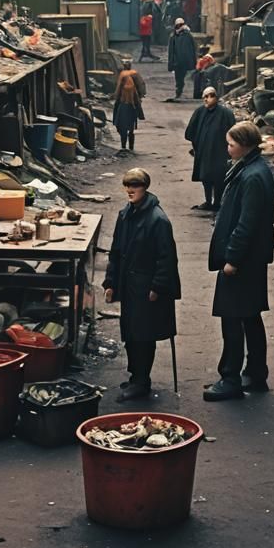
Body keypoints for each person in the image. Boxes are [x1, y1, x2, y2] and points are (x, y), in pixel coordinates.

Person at [203, 120, 274, 402]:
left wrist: (232, 258)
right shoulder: (252, 169)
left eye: (231, 143)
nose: (227, 147)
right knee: (249, 315)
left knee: (232, 318)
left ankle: (230, 378)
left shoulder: (252, 176)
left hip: (243, 261)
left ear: (244, 145)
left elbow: (247, 223)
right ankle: (256, 373)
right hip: (253, 259)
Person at [103, 169, 180, 402]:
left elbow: (166, 258)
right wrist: (111, 282)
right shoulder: (125, 214)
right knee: (131, 332)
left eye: (134, 186)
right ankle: (135, 374)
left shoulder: (158, 220)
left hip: (146, 287)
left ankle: (141, 381)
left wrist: (157, 287)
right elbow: (116, 251)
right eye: (127, 186)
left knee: (144, 335)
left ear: (144, 187)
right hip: (130, 284)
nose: (130, 190)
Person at [184, 87, 236, 211]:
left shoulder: (225, 113)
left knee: (219, 177)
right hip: (204, 151)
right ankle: (208, 201)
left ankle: (217, 202)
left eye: (211, 96)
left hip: (220, 152)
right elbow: (190, 131)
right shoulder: (199, 112)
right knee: (205, 176)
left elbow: (234, 131)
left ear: (216, 98)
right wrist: (197, 143)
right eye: (205, 97)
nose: (207, 99)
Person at [112, 58, 146, 155]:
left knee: (121, 126)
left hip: (123, 103)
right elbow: (142, 87)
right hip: (133, 104)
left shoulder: (123, 75)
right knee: (131, 127)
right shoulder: (135, 74)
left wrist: (116, 97)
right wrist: (139, 97)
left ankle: (124, 146)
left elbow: (118, 90)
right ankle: (131, 147)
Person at [166, 17, 196, 101]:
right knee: (179, 78)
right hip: (178, 62)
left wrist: (193, 61)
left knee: (180, 78)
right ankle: (179, 92)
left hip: (182, 61)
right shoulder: (175, 36)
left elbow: (192, 49)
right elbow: (171, 51)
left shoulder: (185, 36)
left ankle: (179, 92)